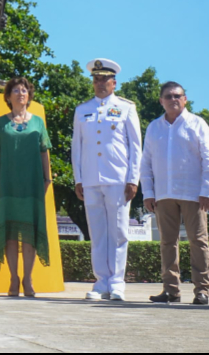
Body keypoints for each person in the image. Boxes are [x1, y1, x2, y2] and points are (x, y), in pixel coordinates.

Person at [141, 81, 209, 305]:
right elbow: (145, 163)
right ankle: (171, 290)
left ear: (185, 99)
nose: (173, 99)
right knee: (167, 242)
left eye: (178, 96)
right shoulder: (154, 127)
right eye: (168, 96)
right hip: (164, 192)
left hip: (194, 193)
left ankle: (202, 289)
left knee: (198, 240)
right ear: (161, 101)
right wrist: (148, 192)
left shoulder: (197, 124)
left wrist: (207, 190)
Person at [72, 58, 141, 302]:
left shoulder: (126, 108)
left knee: (119, 232)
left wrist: (133, 179)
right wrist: (78, 178)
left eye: (104, 79)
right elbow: (77, 148)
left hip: (118, 179)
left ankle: (118, 282)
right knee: (98, 232)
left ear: (114, 83)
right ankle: (101, 281)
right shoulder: (82, 110)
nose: (100, 83)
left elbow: (135, 147)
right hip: (91, 179)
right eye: (96, 79)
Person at [0, 76, 52, 297]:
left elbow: (44, 152)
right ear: (7, 96)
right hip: (8, 184)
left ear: (29, 96)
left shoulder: (38, 122)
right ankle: (13, 278)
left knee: (30, 232)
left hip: (32, 185)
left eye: (24, 90)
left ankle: (28, 278)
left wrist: (47, 179)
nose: (21, 93)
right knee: (11, 234)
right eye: (15, 90)